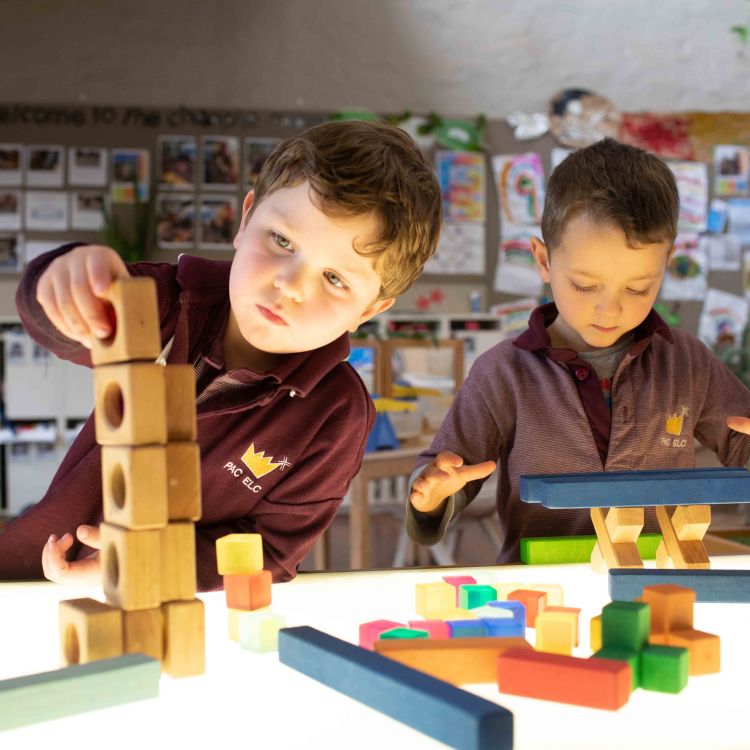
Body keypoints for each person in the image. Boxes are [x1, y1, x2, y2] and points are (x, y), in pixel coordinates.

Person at [0, 120, 441, 589]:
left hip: (186, 611)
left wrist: (154, 564)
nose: (289, 286)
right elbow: (63, 325)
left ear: (369, 309)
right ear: (246, 219)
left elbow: (272, 551)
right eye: (282, 241)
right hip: (37, 575)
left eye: (335, 279)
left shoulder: (337, 415)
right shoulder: (171, 300)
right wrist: (57, 280)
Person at [406, 137, 750, 562]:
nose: (612, 308)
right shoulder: (504, 372)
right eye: (586, 285)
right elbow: (444, 477)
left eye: (639, 287)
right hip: (540, 586)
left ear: (666, 264)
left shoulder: (687, 362)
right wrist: (431, 495)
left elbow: (743, 445)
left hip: (659, 581)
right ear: (544, 260)